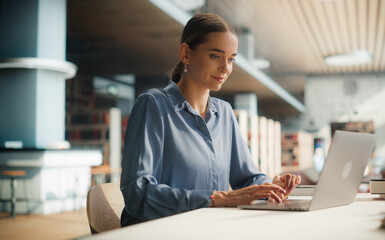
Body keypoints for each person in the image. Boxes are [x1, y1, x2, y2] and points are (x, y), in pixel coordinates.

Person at [120, 13, 301, 227]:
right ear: (186, 53)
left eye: (231, 59)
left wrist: (271, 187)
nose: (226, 68)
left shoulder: (224, 113)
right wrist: (218, 198)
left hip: (208, 229)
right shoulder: (153, 105)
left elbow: (248, 178)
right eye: (216, 56)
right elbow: (137, 193)